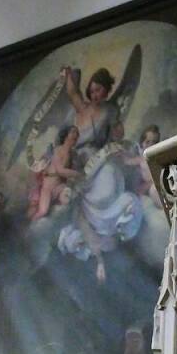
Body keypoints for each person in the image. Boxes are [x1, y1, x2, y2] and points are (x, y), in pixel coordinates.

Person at [56, 67, 143, 283]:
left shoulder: (110, 110)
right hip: (79, 162)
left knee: (108, 183)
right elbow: (72, 92)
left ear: (106, 91)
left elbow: (117, 134)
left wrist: (117, 130)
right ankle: (94, 252)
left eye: (99, 90)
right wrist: (67, 75)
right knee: (76, 198)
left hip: (98, 159)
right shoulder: (82, 107)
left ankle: (114, 227)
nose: (95, 94)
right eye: (92, 90)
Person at [28, 125, 81, 221]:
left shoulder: (72, 154)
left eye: (77, 133)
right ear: (66, 135)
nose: (76, 135)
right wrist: (77, 174)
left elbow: (70, 174)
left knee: (67, 199)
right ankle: (31, 224)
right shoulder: (58, 150)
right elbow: (61, 171)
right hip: (48, 188)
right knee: (43, 211)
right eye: (73, 132)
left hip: (60, 187)